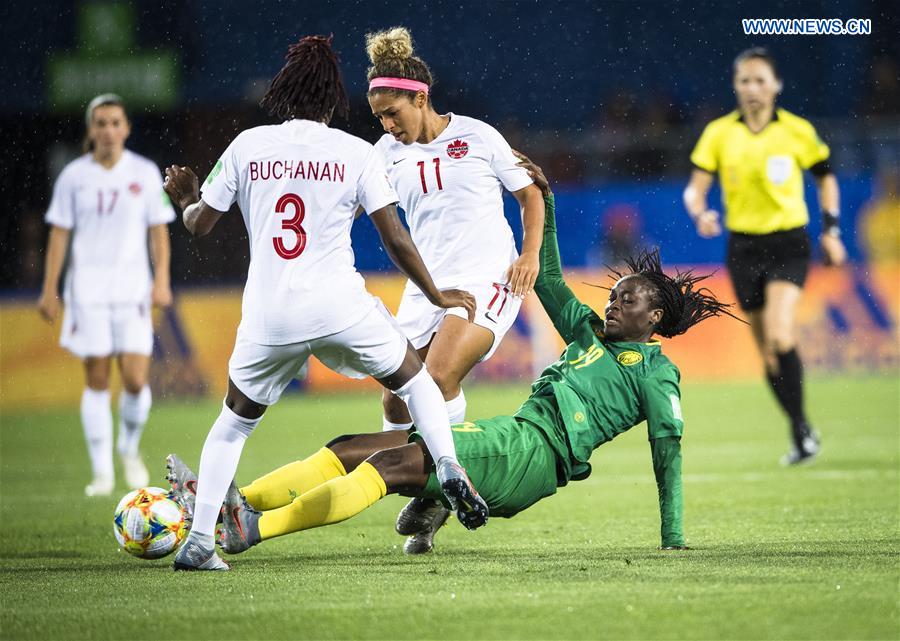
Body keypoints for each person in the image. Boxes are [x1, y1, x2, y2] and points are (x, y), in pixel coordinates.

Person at [167, 154, 740, 560]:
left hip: (531, 459)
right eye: (614, 296)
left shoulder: (660, 375)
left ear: (656, 316)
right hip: (510, 435)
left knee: (387, 468)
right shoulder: (590, 336)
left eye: (627, 300)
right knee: (349, 448)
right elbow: (547, 278)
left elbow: (668, 454)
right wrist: (547, 205)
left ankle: (253, 529)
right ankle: (225, 505)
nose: (613, 305)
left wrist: (673, 538)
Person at [161, 35, 488, 572]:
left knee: (234, 424)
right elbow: (396, 239)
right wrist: (437, 295)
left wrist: (187, 197)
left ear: (282, 94)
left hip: (268, 314)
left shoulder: (248, 144)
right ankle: (448, 467)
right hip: (338, 307)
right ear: (335, 101)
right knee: (416, 382)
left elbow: (200, 223)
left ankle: (199, 542)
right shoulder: (356, 152)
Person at [364, 27, 545, 552]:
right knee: (397, 399)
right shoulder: (383, 154)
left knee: (437, 376)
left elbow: (530, 195)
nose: (387, 123)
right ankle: (429, 484)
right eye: (379, 116)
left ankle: (442, 489)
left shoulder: (478, 137)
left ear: (420, 98)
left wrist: (529, 254)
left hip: (488, 279)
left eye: (393, 112)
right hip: (427, 287)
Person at [682, 47, 848, 466]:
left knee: (779, 332)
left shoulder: (796, 131)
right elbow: (694, 188)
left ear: (776, 86)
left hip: (788, 243)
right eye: (744, 81)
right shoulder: (719, 133)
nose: (753, 88)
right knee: (768, 353)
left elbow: (826, 179)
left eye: (760, 80)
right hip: (743, 248)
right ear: (735, 87)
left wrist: (831, 231)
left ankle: (800, 429)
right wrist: (701, 212)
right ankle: (801, 428)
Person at [38, 93, 174, 497]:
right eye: (101, 123)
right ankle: (101, 472)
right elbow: (59, 235)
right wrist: (50, 289)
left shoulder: (145, 173)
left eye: (115, 122)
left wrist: (162, 279)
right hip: (87, 293)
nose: (109, 130)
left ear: (126, 128)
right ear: (90, 129)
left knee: (134, 379)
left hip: (132, 289)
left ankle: (128, 448)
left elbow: (159, 232)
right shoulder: (74, 177)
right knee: (97, 379)